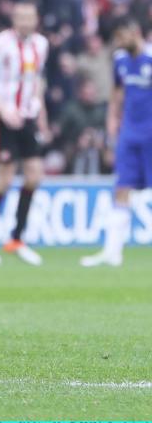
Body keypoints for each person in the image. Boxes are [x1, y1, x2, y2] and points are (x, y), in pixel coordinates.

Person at [0, 0, 50, 266]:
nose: (26, 22)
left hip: (27, 118)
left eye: (30, 17)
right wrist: (4, 109)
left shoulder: (41, 45)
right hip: (3, 118)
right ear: (14, 19)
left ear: (36, 19)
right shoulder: (0, 45)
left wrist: (41, 114)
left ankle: (17, 238)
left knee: (34, 176)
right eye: (21, 17)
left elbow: (37, 79)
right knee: (4, 179)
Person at [81, 21, 151, 267]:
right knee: (121, 188)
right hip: (129, 134)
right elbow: (116, 95)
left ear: (136, 33)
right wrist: (112, 127)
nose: (119, 43)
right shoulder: (120, 60)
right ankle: (112, 252)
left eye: (123, 37)